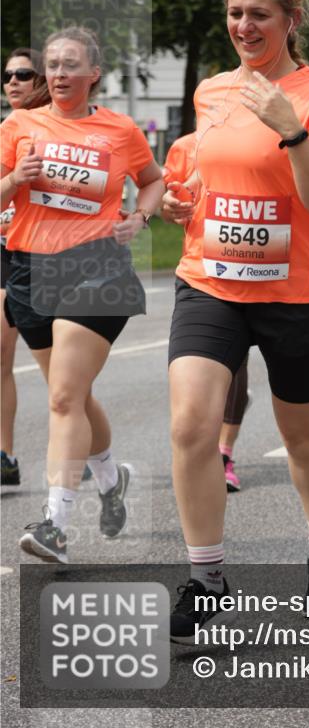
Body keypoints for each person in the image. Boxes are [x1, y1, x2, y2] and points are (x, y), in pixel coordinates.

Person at [163, 0, 309, 644]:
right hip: (210, 280)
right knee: (191, 426)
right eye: (235, 13)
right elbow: (204, 181)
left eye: (259, 14)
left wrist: (290, 126)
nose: (244, 25)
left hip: (296, 291)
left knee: (302, 439)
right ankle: (207, 580)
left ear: (291, 19)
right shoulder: (212, 90)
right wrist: (183, 205)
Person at [0, 27, 164, 561]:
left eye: (72, 64)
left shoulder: (119, 129)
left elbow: (153, 179)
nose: (59, 74)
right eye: (52, 64)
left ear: (94, 73)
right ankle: (111, 480)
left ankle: (55, 524)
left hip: (97, 269)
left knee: (65, 397)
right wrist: (13, 179)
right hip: (29, 270)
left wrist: (139, 216)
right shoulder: (19, 125)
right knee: (71, 393)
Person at [163, 132, 250, 491]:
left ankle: (224, 452)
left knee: (237, 365)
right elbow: (171, 200)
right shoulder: (184, 147)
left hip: (256, 268)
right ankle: (215, 450)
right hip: (204, 274)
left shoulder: (256, 137)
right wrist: (169, 206)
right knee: (200, 380)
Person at [1, 49, 51, 486]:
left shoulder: (57, 130)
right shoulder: (6, 130)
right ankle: (5, 454)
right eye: (8, 75)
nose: (13, 81)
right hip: (4, 251)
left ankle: (88, 445)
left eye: (24, 74)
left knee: (61, 371)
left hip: (39, 256)